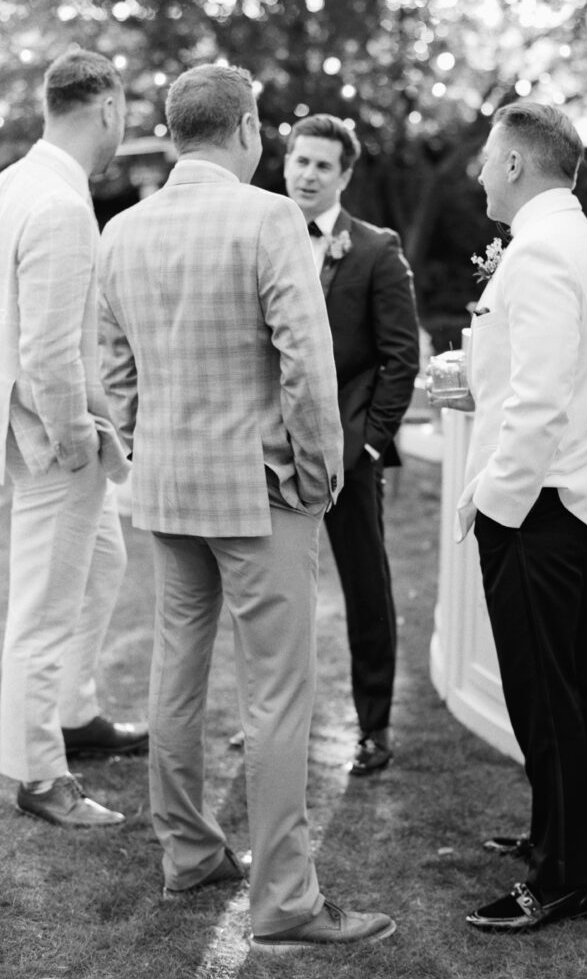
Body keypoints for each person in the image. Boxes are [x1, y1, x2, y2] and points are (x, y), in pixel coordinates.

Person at [98, 64, 395, 949]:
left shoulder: (122, 228)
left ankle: (188, 852)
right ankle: (287, 903)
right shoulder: (268, 217)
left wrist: (147, 447)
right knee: (276, 695)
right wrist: (318, 471)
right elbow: (305, 363)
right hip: (260, 493)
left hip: (168, 489)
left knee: (174, 673)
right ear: (246, 128)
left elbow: (114, 372)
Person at [430, 101, 587, 933]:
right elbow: (543, 378)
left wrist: (492, 502)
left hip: (540, 507)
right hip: (575, 496)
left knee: (546, 693)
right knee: (565, 688)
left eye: (485, 157)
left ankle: (560, 880)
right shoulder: (582, 243)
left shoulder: (543, 252)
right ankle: (559, 835)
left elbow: (541, 403)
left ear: (515, 163)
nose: (478, 171)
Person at [0, 49, 146, 830]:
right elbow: (51, 353)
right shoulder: (58, 205)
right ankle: (38, 775)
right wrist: (76, 442)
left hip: (29, 428)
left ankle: (74, 709)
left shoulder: (15, 183)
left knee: (105, 562)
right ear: (107, 111)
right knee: (43, 609)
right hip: (51, 440)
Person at [281, 113, 419, 776]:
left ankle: (372, 726)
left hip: (348, 452)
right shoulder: (261, 236)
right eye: (299, 161)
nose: (307, 174)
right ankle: (276, 719)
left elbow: (400, 358)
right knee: (274, 591)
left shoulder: (373, 248)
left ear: (344, 174)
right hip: (272, 450)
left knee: (366, 588)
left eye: (321, 165)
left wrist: (367, 445)